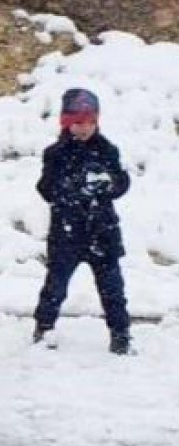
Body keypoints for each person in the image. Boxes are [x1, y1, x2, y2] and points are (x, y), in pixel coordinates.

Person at [32, 87, 133, 354]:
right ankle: (44, 327)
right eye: (78, 122)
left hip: (102, 231)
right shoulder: (55, 153)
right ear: (67, 123)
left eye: (90, 121)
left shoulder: (107, 149)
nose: (85, 127)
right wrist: (70, 187)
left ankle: (121, 334)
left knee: (113, 289)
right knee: (55, 286)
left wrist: (107, 185)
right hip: (67, 232)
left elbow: (122, 183)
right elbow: (44, 189)